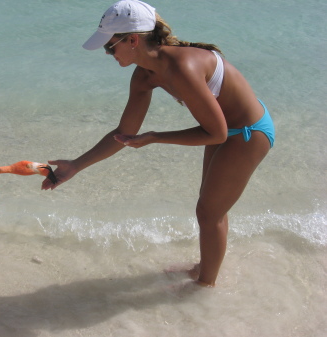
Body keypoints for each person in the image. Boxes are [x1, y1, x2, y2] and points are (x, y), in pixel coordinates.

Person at [41, 0, 275, 287]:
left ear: (133, 40)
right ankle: (205, 270)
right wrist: (76, 165)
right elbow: (124, 132)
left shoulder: (183, 66)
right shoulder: (144, 76)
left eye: (109, 46)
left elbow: (218, 134)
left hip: (248, 133)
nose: (106, 53)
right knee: (212, 209)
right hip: (222, 128)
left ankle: (204, 289)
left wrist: (155, 137)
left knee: (208, 212)